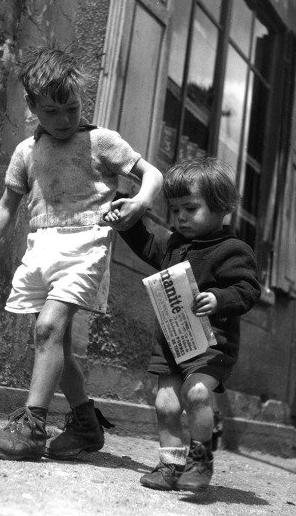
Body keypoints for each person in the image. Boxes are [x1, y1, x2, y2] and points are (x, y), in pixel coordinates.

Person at [0, 46, 163, 461]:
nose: (63, 119)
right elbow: (6, 206)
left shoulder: (101, 141)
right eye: (52, 111)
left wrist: (141, 202)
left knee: (48, 328)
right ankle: (86, 425)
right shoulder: (26, 152)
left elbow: (152, 175)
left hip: (85, 245)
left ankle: (31, 428)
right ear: (33, 106)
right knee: (57, 342)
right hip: (41, 248)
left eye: (71, 108)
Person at [105, 157, 260, 491]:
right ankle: (170, 464)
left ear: (221, 208)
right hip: (172, 338)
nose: (181, 218)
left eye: (190, 208)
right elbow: (147, 244)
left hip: (210, 343)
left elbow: (247, 290)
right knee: (166, 402)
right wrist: (126, 222)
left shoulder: (233, 250)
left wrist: (219, 299)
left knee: (198, 392)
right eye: (175, 210)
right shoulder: (173, 245)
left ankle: (200, 460)